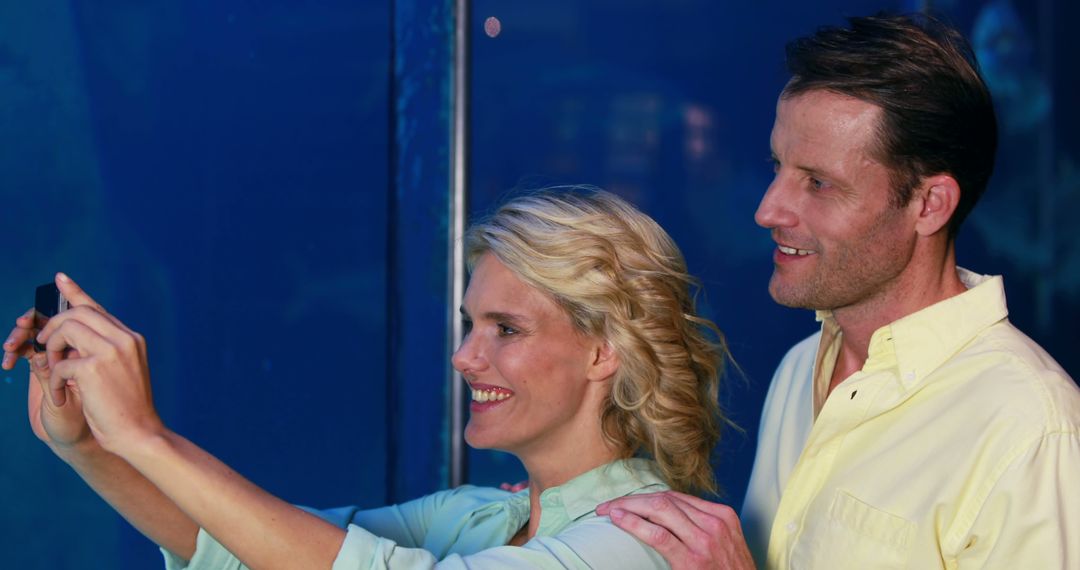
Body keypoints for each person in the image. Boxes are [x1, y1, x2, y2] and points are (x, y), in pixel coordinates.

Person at [0, 188, 729, 569]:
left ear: (605, 351)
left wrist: (145, 434)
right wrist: (91, 444)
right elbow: (251, 547)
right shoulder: (482, 516)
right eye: (469, 325)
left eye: (505, 329)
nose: (464, 357)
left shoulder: (651, 540)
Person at [597, 12, 1080, 569]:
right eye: (777, 166)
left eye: (818, 183)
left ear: (930, 205)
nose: (767, 210)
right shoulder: (800, 368)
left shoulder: (1029, 426)